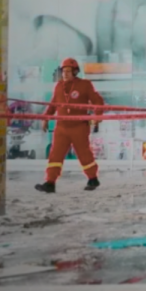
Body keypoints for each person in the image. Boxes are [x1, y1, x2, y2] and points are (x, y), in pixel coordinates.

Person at [35, 57, 104, 193]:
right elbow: (53, 105)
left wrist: (97, 116)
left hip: (79, 127)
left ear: (75, 72)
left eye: (68, 71)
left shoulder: (85, 85)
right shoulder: (59, 86)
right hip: (61, 128)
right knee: (55, 155)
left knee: (84, 154)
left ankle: (92, 178)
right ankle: (50, 182)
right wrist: (46, 118)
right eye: (64, 71)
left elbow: (98, 101)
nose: (65, 73)